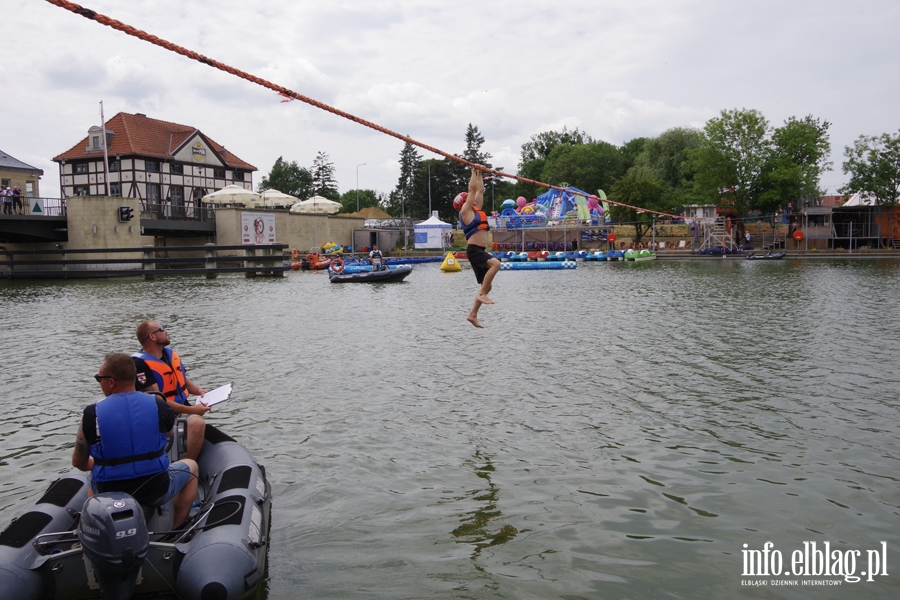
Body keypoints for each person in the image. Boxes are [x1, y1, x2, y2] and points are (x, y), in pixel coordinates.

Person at [72, 353, 198, 528]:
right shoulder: (159, 404)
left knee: (91, 474)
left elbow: (78, 461)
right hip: (155, 491)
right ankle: (176, 530)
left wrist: (108, 466)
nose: (99, 382)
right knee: (192, 466)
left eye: (99, 378)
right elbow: (168, 435)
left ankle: (93, 524)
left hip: (109, 491)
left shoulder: (92, 413)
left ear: (111, 382)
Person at [132, 321, 209, 461]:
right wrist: (193, 410)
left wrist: (198, 391)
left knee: (197, 421)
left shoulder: (168, 355)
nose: (166, 331)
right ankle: (187, 467)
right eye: (161, 329)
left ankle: (187, 463)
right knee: (197, 423)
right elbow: (158, 401)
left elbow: (181, 378)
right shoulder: (139, 364)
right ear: (152, 337)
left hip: (182, 407)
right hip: (160, 415)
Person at [454, 168, 500, 328]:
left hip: (479, 251)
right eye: (469, 199)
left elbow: (478, 189)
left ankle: (472, 314)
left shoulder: (477, 210)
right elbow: (472, 189)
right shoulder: (465, 212)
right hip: (474, 250)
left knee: (488, 285)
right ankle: (481, 294)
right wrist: (473, 172)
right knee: (496, 264)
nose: (472, 198)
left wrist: (479, 174)